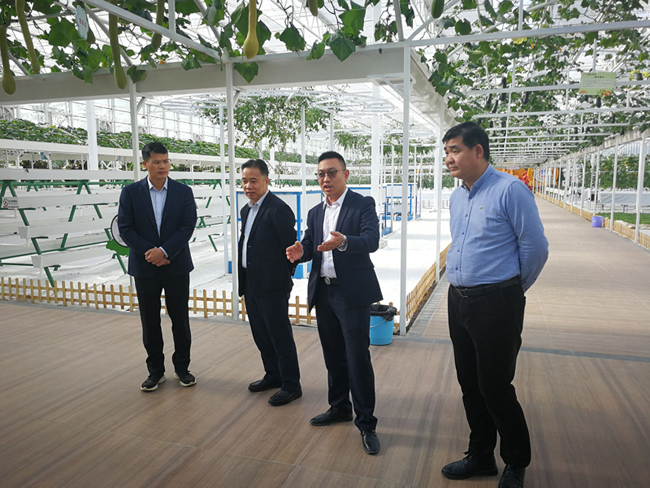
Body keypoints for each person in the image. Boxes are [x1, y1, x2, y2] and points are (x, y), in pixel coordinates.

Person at [441, 122, 548, 488]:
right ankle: (481, 454)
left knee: (495, 386)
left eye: (455, 150)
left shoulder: (510, 190)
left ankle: (515, 463)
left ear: (478, 151)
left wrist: (512, 290)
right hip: (459, 300)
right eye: (446, 152)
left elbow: (535, 248)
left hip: (496, 302)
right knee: (469, 383)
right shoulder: (457, 196)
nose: (448, 158)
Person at [286, 150, 383, 455]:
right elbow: (312, 244)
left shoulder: (362, 204)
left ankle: (366, 423)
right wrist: (301, 251)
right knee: (333, 356)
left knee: (357, 359)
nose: (325, 179)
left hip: (351, 294)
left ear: (345, 174)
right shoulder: (316, 212)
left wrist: (344, 242)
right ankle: (339, 407)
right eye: (321, 174)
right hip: (324, 291)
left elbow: (372, 240)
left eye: (331, 172)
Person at [118, 142, 197, 392]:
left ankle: (182, 369)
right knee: (149, 321)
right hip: (145, 268)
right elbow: (125, 228)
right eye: (157, 162)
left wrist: (164, 251)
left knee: (180, 320)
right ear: (145, 164)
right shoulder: (131, 193)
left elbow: (187, 226)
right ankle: (155, 372)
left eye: (166, 161)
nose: (163, 166)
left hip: (176, 264)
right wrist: (150, 253)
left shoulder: (183, 192)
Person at [238, 159, 302, 406]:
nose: (248, 186)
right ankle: (273, 374)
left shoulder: (278, 209)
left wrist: (281, 277)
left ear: (266, 181)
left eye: (253, 181)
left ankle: (291, 384)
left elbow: (291, 250)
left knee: (279, 335)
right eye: (244, 181)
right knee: (261, 334)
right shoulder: (246, 210)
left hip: (272, 285)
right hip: (251, 282)